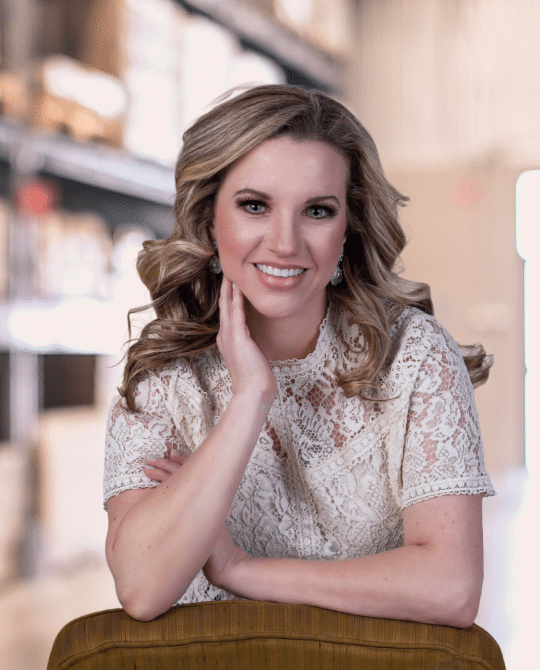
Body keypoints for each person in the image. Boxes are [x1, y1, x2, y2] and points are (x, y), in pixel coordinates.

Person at [103, 84, 495, 626]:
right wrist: (250, 397)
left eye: (316, 210)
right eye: (255, 206)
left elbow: (451, 588)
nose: (285, 243)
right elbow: (143, 589)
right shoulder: (166, 376)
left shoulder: (415, 355)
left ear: (347, 228)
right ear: (210, 220)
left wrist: (240, 569)